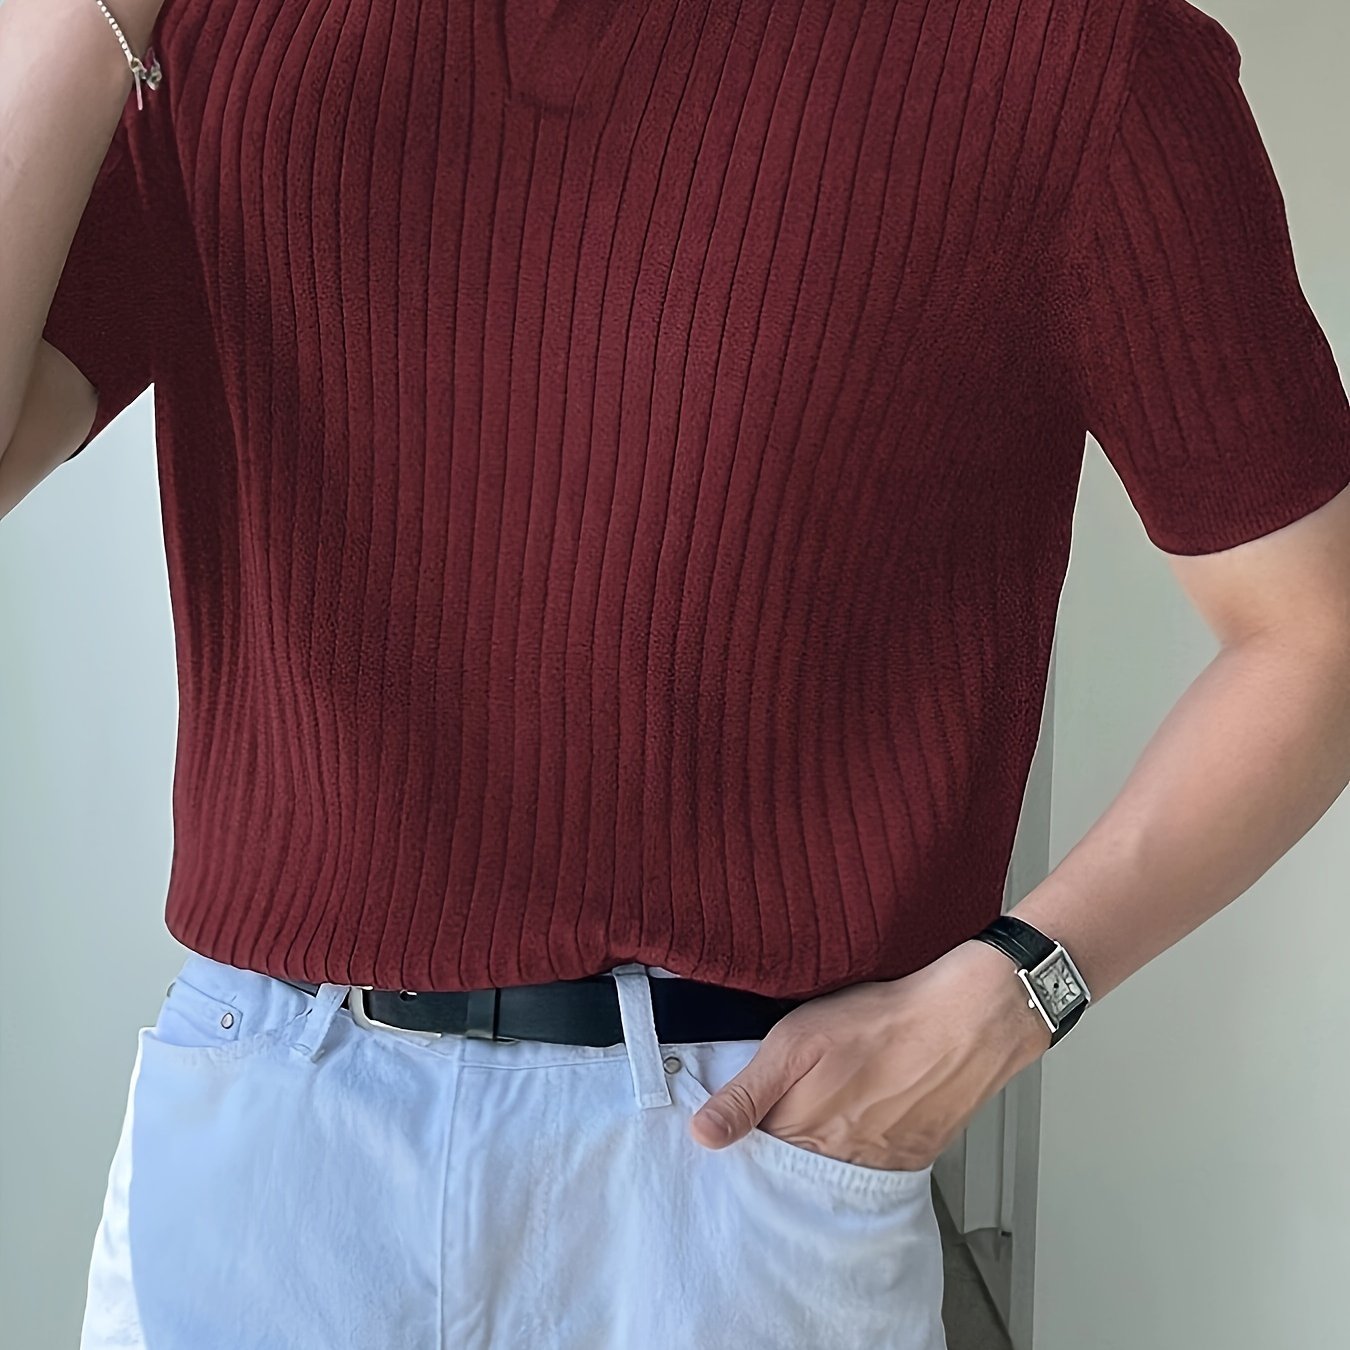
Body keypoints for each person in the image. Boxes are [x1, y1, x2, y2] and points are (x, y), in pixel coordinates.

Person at [3, 0, 1348, 1346]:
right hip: (268, 1131)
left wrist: (1017, 991)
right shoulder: (208, 32)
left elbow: (1315, 633)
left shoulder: (1071, 56)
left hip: (737, 1163)